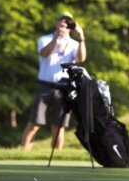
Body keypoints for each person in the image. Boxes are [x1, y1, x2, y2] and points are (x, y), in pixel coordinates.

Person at [21, 11, 86, 151]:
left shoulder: (75, 44)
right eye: (61, 21)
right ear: (55, 23)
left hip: (63, 88)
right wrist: (57, 38)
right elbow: (44, 53)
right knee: (34, 124)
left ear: (71, 26)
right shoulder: (45, 39)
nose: (63, 23)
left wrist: (81, 38)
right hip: (44, 86)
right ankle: (23, 154)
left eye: (67, 22)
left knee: (59, 126)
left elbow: (81, 59)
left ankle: (56, 158)